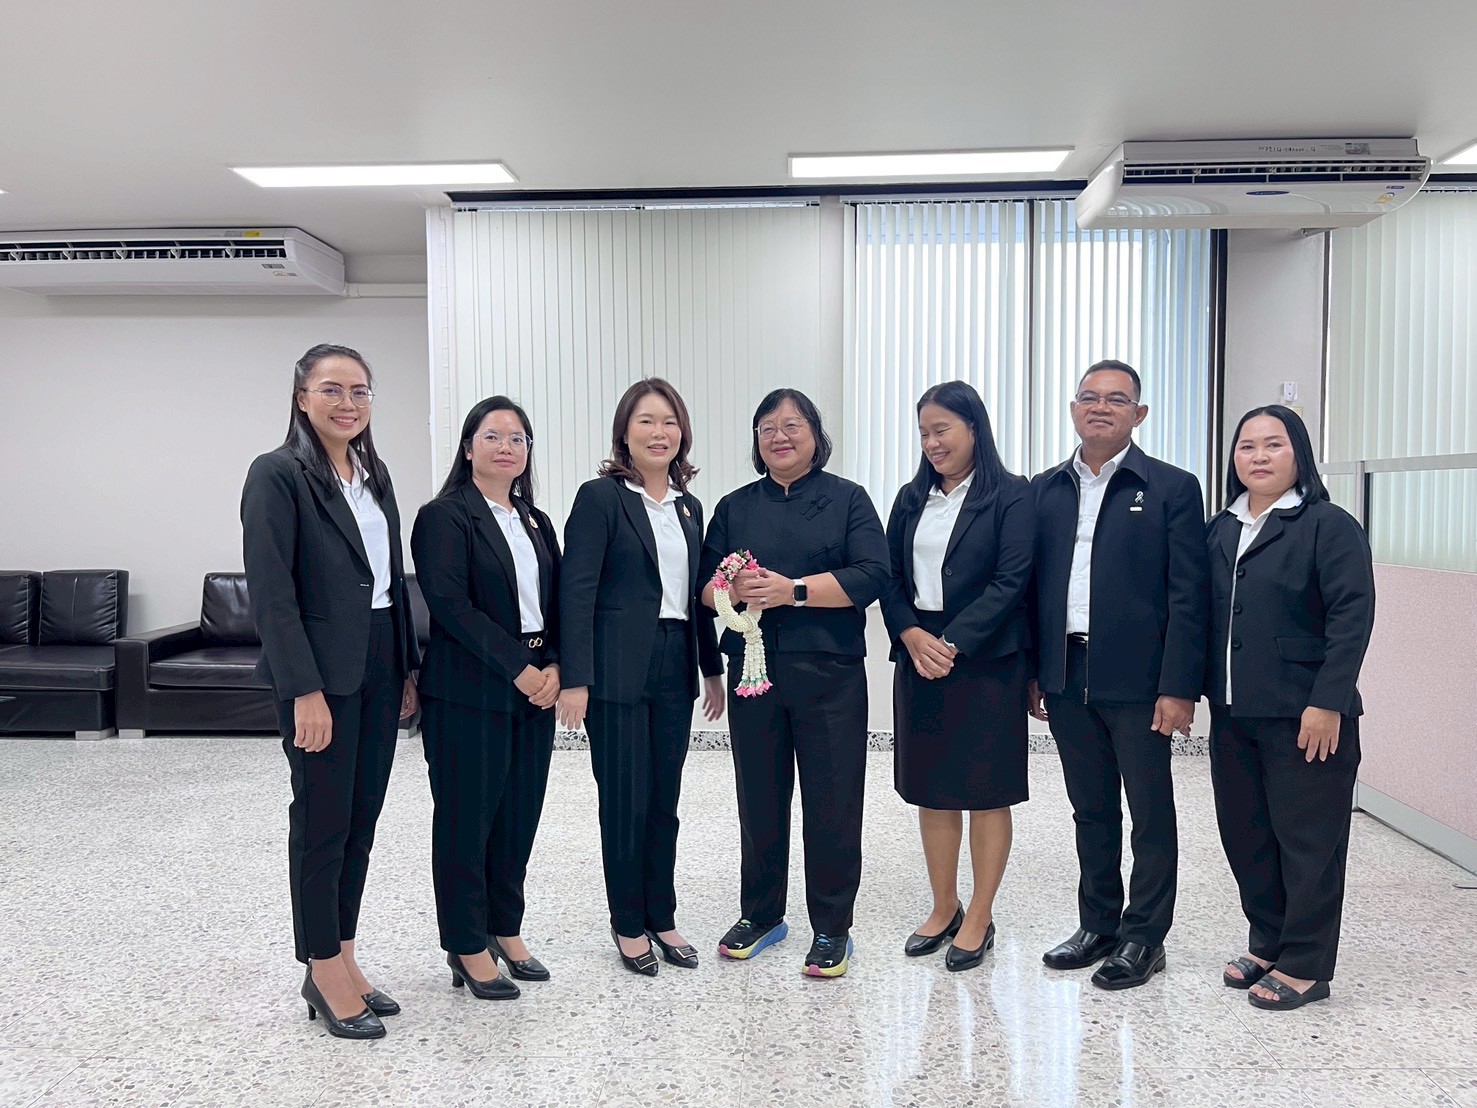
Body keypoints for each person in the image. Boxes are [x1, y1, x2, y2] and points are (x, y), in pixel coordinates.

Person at [241, 343, 420, 1039]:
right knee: (322, 822)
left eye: (360, 391)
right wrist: (302, 690)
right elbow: (272, 592)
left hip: (378, 661)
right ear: (301, 397)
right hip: (320, 672)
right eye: (332, 390)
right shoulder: (277, 473)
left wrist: (405, 668)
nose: (348, 403)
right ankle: (320, 967)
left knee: (360, 819)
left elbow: (388, 579)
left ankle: (344, 952)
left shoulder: (374, 474)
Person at [1028, 358, 1209, 991]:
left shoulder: (1171, 488)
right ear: (1073, 409)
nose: (1100, 407)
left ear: (1140, 413)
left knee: (1150, 812)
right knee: (1091, 808)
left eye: (1116, 398)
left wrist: (1179, 686)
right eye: (1089, 397)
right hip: (1067, 671)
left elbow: (1189, 595)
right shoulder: (1045, 489)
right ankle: (1098, 925)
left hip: (1141, 680)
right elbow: (1032, 588)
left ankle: (1144, 936)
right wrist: (1037, 671)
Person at [700, 388, 890, 979]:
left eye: (792, 426)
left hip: (830, 672)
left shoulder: (848, 499)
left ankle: (832, 926)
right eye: (767, 428)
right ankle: (761, 914)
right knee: (758, 796)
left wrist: (794, 591)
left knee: (833, 800)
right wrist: (730, 589)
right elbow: (704, 587)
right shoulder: (734, 506)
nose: (779, 437)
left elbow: (873, 574)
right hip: (753, 672)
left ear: (815, 435)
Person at [1206, 405, 1375, 1011]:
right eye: (1246, 445)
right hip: (1233, 711)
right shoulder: (1222, 528)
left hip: (1306, 714)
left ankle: (1305, 963)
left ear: (1298, 452)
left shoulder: (1328, 525)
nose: (1258, 456)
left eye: (1273, 444)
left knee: (1309, 841)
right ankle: (1269, 941)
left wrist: (1328, 701)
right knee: (1247, 834)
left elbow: (1352, 617)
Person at [558, 378, 724, 977]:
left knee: (664, 801)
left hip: (675, 661)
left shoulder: (687, 506)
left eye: (670, 422)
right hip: (616, 669)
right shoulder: (601, 497)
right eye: (647, 421)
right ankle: (628, 923)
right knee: (625, 800)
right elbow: (576, 590)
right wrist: (576, 678)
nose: (660, 433)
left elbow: (698, 594)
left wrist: (711, 668)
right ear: (624, 432)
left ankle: (662, 914)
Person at [411, 396, 561, 1002]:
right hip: (469, 690)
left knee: (518, 816)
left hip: (535, 687)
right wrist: (520, 668)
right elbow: (451, 607)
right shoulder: (444, 517)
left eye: (518, 438)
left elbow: (557, 601)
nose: (507, 447)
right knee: (466, 821)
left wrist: (555, 664)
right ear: (469, 447)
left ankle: (505, 927)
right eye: (493, 436)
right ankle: (466, 943)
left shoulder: (535, 520)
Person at [882, 381, 1034, 973]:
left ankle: (980, 915)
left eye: (942, 430)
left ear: (974, 428)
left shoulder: (1011, 495)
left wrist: (952, 642)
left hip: (987, 660)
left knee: (987, 792)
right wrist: (909, 633)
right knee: (933, 788)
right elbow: (890, 577)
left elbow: (1011, 580)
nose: (932, 443)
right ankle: (944, 905)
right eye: (924, 432)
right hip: (919, 654)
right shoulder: (910, 498)